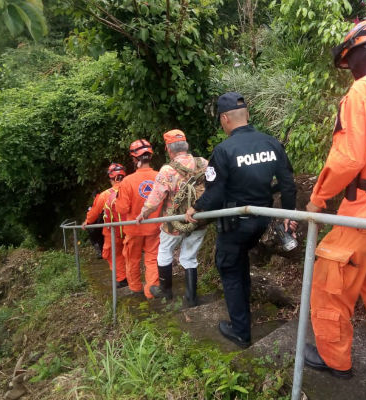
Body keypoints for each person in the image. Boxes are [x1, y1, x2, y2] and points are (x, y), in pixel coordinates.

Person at [303, 17, 366, 379]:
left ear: (361, 54)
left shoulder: (365, 91)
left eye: (349, 62)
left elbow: (348, 157)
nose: (349, 71)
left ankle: (334, 361)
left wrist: (318, 200)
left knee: (330, 284)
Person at [185, 92, 297, 348]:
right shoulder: (271, 143)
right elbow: (288, 185)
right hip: (263, 221)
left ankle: (240, 332)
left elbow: (215, 194)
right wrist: (289, 217)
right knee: (239, 263)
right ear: (247, 115)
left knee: (229, 268)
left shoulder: (224, 150)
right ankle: (243, 317)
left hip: (235, 225)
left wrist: (195, 209)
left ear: (225, 118)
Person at [135, 130, 208, 307]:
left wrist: (143, 213)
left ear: (168, 149)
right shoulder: (203, 163)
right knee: (189, 257)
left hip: (173, 222)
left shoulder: (168, 170)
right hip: (199, 219)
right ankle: (191, 298)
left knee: (164, 252)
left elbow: (155, 198)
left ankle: (166, 290)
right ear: (187, 145)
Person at [115, 139, 162, 298]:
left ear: (134, 159)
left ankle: (135, 289)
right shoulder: (159, 177)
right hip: (154, 226)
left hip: (133, 228)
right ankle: (152, 291)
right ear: (150, 157)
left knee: (132, 259)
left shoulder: (127, 181)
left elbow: (122, 209)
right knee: (152, 258)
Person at [83, 163, 128, 288]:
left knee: (113, 254)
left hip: (112, 231)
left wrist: (87, 222)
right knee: (131, 254)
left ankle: (123, 279)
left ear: (111, 178)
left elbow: (94, 213)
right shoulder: (132, 189)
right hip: (132, 228)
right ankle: (133, 280)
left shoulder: (105, 195)